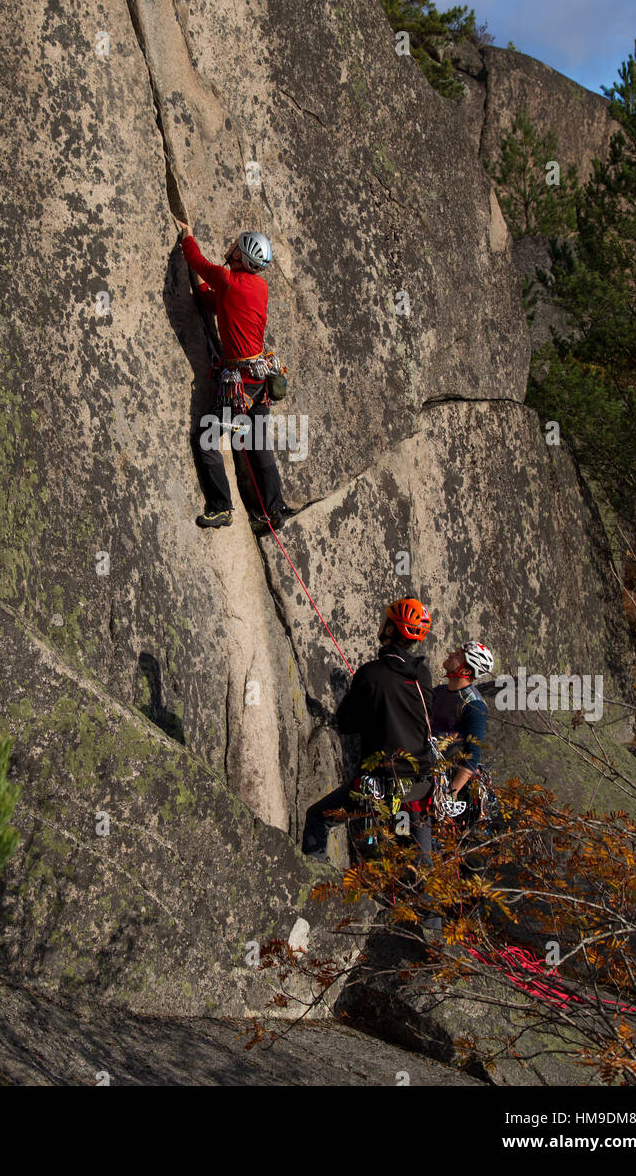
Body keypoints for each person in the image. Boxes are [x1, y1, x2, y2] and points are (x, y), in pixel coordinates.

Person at [302, 599, 436, 889]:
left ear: (391, 628)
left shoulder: (371, 674)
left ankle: (314, 886)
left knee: (317, 818)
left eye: (384, 619)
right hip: (419, 784)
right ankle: (429, 919)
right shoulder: (423, 675)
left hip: (382, 783)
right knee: (416, 857)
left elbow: (347, 722)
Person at [174, 218, 287, 534]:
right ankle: (273, 510)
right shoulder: (258, 287)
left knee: (205, 437)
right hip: (259, 381)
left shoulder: (226, 279)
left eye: (236, 245)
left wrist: (187, 235)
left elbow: (196, 261)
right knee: (257, 444)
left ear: (240, 256)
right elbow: (213, 303)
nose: (231, 247)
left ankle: (220, 508)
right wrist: (204, 294)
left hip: (240, 386)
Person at [432, 641, 494, 809]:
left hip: (444, 779)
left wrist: (450, 794)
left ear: (466, 671)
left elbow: (472, 755)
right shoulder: (439, 692)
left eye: (458, 655)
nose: (451, 654)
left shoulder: (473, 706)